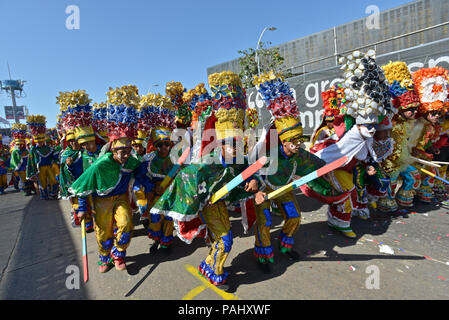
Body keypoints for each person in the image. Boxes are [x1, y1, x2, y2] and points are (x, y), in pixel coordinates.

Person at [150, 71, 266, 290]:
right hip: (207, 204)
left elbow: (250, 171)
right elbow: (183, 179)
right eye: (231, 143)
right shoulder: (203, 164)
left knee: (222, 239)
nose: (236, 148)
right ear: (220, 143)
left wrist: (255, 186)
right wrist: (189, 202)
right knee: (225, 240)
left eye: (239, 143)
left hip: (219, 202)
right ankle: (212, 268)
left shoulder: (238, 158)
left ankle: (210, 267)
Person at [69, 85, 153, 273]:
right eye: (121, 152)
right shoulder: (100, 164)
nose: (125, 156)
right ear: (113, 150)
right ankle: (104, 257)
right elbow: (84, 186)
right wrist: (82, 208)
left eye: (128, 151)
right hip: (101, 201)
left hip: (121, 198)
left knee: (125, 224)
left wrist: (149, 185)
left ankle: (119, 254)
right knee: (104, 231)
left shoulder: (131, 161)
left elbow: (140, 174)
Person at [377, 61, 422, 211]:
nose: (414, 112)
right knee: (393, 176)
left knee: (413, 174)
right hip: (386, 162)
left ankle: (403, 199)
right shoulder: (389, 123)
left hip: (401, 160)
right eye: (410, 109)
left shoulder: (407, 123)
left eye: (416, 108)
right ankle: (386, 201)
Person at [409, 67, 449, 204]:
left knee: (430, 169)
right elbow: (409, 144)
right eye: (434, 113)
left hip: (420, 156)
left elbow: (425, 143)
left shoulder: (430, 127)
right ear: (424, 110)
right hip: (407, 157)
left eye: (439, 113)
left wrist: (431, 148)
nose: (437, 116)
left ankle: (422, 192)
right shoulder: (415, 124)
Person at [26, 115, 58, 200]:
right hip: (40, 168)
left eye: (41, 141)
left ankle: (53, 193)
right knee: (42, 182)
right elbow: (31, 161)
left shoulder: (48, 148)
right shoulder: (33, 150)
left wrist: (57, 156)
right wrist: (33, 172)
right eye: (38, 141)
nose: (40, 143)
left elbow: (54, 156)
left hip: (49, 167)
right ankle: (44, 195)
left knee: (53, 180)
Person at [10, 124, 33, 196]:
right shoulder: (15, 151)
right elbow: (13, 160)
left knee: (29, 178)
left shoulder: (26, 150)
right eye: (18, 144)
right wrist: (15, 167)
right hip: (20, 168)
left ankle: (31, 189)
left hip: (27, 167)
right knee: (23, 179)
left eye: (21, 144)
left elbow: (29, 158)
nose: (20, 145)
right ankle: (26, 190)